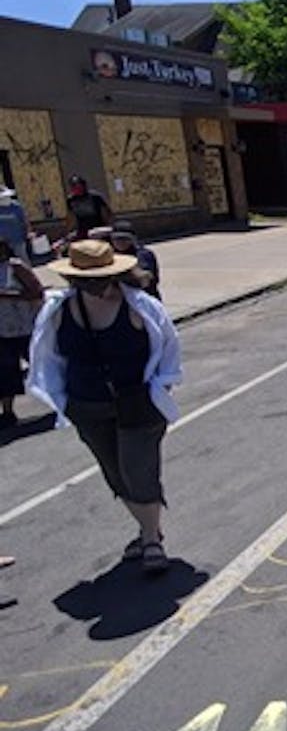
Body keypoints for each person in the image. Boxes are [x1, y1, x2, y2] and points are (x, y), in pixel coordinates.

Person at [27, 239, 183, 572]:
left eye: (99, 278)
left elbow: (169, 348)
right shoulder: (59, 311)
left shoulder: (140, 307)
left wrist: (162, 385)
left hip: (138, 403)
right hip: (88, 405)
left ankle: (151, 540)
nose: (93, 286)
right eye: (85, 279)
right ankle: (147, 529)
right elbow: (49, 358)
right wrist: (61, 400)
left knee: (138, 469)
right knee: (115, 474)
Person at [0, 237, 45, 431]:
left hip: (23, 326)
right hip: (2, 330)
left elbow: (37, 292)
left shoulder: (15, 267)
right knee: (5, 374)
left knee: (40, 364)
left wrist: (7, 296)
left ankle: (68, 398)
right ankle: (8, 412)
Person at [92, 222, 161, 299]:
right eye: (116, 238)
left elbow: (145, 280)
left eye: (125, 239)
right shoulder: (111, 255)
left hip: (144, 298)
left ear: (133, 239)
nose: (120, 242)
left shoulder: (142, 254)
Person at [65, 176, 112, 240]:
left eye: (78, 186)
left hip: (98, 228)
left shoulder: (95, 197)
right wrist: (69, 231)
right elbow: (71, 217)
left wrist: (109, 226)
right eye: (73, 187)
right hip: (82, 230)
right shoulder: (71, 200)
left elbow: (106, 213)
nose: (76, 189)